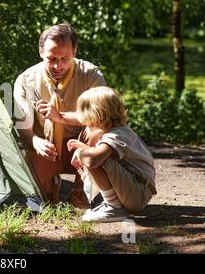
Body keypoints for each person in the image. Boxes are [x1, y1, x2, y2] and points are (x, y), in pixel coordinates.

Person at [13, 22, 106, 208]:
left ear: (75, 51)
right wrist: (35, 142)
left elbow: (102, 115)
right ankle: (50, 186)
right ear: (41, 52)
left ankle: (81, 193)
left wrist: (61, 117)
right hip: (46, 147)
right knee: (37, 199)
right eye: (51, 58)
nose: (58, 65)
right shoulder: (26, 80)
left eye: (65, 58)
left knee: (101, 131)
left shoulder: (90, 74)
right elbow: (23, 128)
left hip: (82, 144)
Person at [66, 86, 157, 222]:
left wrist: (80, 152)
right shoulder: (114, 132)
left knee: (92, 158)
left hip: (138, 192)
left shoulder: (118, 134)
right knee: (92, 155)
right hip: (135, 187)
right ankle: (110, 204)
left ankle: (113, 207)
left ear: (98, 112)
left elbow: (92, 160)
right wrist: (84, 148)